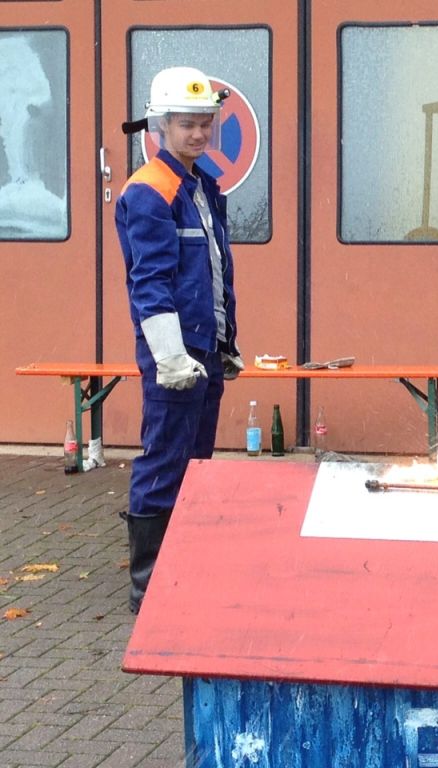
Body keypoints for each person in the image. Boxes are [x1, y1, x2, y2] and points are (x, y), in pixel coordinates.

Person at [115, 66, 244, 614]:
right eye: (188, 125)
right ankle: (147, 585)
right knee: (165, 460)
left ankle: (182, 567)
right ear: (160, 126)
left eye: (205, 126)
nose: (199, 135)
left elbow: (213, 272)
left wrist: (225, 340)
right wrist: (170, 355)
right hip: (176, 352)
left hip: (204, 348)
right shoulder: (150, 192)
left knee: (198, 463)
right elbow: (151, 281)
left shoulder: (200, 187)